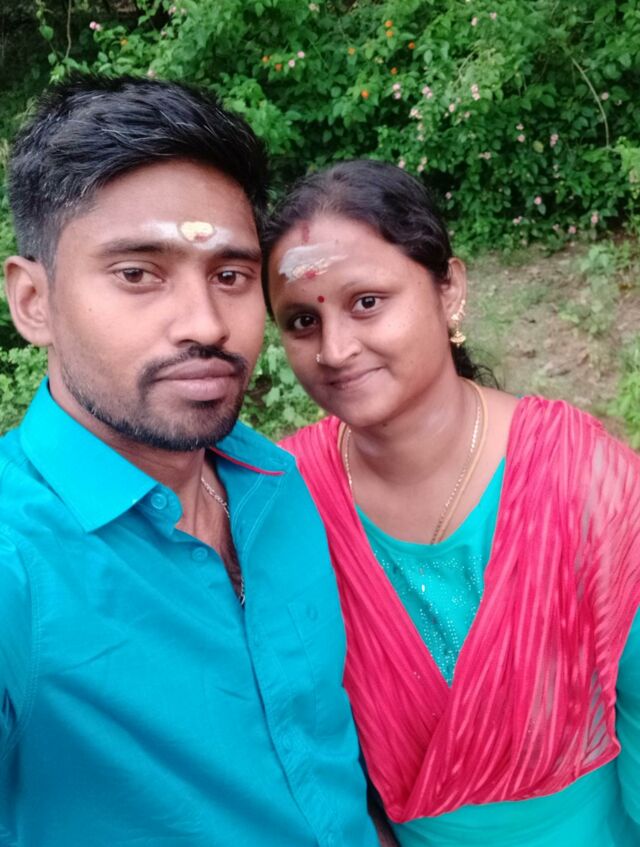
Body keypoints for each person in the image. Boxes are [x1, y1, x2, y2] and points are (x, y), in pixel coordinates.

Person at [0, 76, 382, 847]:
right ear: (33, 301)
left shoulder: (276, 482)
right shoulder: (18, 556)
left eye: (230, 276)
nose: (206, 324)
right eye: (137, 273)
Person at [263, 159, 640, 847]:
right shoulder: (289, 498)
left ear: (449, 290)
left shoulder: (577, 474)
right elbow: (299, 723)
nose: (336, 349)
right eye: (301, 321)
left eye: (367, 302)